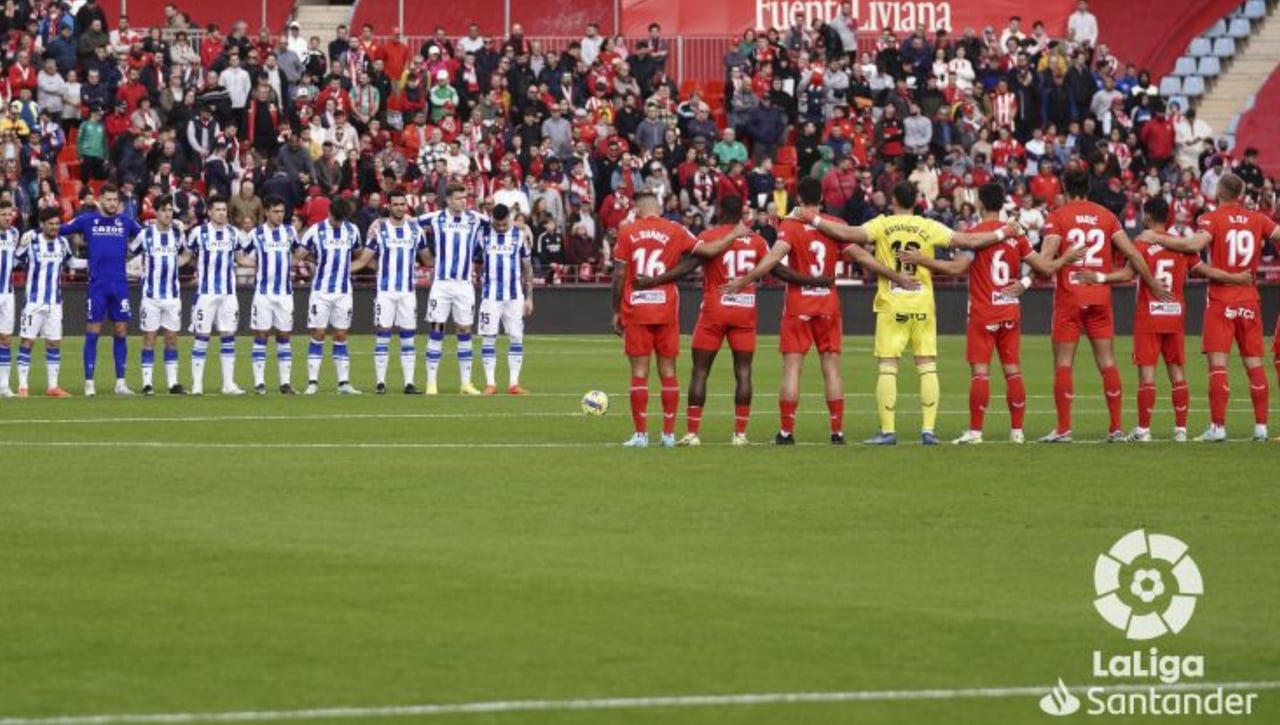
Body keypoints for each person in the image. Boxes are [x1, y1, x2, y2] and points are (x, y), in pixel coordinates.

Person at [802, 182, 1022, 444]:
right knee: (927, 365)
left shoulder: (882, 224)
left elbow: (844, 233)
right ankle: (928, 431)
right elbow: (969, 241)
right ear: (915, 201)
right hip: (922, 304)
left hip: (892, 303)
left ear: (893, 200)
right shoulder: (928, 226)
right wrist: (1004, 232)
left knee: (888, 366)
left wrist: (811, 217)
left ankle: (888, 431)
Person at [725, 177, 916, 445]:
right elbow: (863, 258)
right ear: (822, 199)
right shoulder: (834, 226)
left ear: (799, 200)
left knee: (792, 368)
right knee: (832, 369)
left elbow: (772, 258)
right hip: (828, 304)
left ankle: (786, 432)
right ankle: (837, 432)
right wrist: (895, 275)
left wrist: (744, 280)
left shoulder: (791, 226)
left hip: (798, 304)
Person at [899, 184, 1082, 444]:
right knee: (1013, 370)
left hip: (983, 312)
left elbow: (956, 268)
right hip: (1009, 308)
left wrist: (922, 260)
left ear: (981, 204)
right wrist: (1066, 258)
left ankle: (975, 432)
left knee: (980, 373)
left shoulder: (975, 234)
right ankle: (1017, 432)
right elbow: (1043, 266)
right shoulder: (1016, 235)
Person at [1088, 197, 1251, 442]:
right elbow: (1206, 272)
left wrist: (1099, 278)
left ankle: (1143, 430)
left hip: (1149, 316)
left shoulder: (1142, 242)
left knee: (1147, 375)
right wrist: (1237, 278)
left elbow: (1127, 274)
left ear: (1148, 217)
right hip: (1175, 315)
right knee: (1177, 372)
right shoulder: (1182, 247)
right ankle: (1181, 430)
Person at [1137, 173, 1280, 442]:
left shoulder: (1212, 219)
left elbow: (1193, 244)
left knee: (1218, 365)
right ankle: (1261, 427)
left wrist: (1158, 238)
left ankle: (1218, 427)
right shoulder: (1258, 218)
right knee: (1255, 364)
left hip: (1221, 299)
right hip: (1249, 297)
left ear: (1219, 191)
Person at [1033, 168, 1165, 443]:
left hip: (1070, 297)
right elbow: (1131, 253)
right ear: (1090, 187)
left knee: (1063, 363)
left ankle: (1064, 429)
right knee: (1107, 362)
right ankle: (1116, 428)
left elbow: (1044, 263)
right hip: (1100, 297)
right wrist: (1151, 283)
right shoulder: (1107, 217)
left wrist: (1049, 259)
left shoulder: (1058, 217)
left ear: (1065, 188)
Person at [633, 195, 773, 446]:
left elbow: (688, 266)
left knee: (700, 371)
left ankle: (692, 433)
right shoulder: (757, 240)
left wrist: (654, 280)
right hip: (744, 310)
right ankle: (740, 434)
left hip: (714, 311)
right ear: (742, 213)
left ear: (719, 210)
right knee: (743, 372)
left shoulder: (710, 237)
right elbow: (775, 268)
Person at [611, 190, 744, 448]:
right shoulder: (676, 230)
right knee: (668, 372)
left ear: (637, 210)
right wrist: (733, 235)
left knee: (639, 372)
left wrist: (615, 311)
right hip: (666, 309)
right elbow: (708, 251)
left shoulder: (627, 231)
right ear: (658, 209)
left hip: (636, 308)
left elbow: (619, 275)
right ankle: (669, 434)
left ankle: (640, 436)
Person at [59, 183, 143, 397]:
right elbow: (59, 229)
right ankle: (89, 383)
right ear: (100, 200)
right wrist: (34, 234)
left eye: (116, 200)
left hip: (120, 285)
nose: (113, 203)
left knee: (121, 332)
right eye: (109, 200)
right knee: (93, 332)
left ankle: (121, 383)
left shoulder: (125, 222)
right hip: (97, 285)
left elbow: (146, 238)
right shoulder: (88, 220)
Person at [419, 182, 487, 395]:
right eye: (458, 198)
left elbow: (500, 223)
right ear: (448, 200)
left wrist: (523, 227)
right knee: (437, 330)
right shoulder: (435, 218)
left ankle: (465, 383)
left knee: (465, 329)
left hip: (464, 284)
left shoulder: (475, 218)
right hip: (441, 283)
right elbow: (407, 221)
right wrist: (380, 222)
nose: (462, 202)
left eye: (464, 197)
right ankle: (431, 383)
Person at [298, 195, 371, 395]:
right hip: (321, 291)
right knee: (318, 333)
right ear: (329, 212)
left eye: (342, 220)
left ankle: (344, 383)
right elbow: (299, 256)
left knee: (340, 334)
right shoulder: (315, 231)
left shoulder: (352, 230)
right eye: (336, 219)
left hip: (343, 292)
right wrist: (318, 260)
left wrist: (350, 268)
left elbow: (360, 256)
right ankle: (313, 382)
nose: (338, 223)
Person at [367, 188, 430, 395]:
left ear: (406, 206)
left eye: (403, 204)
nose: (400, 208)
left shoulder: (415, 231)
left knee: (408, 337)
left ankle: (409, 383)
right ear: (389, 206)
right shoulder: (379, 230)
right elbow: (367, 257)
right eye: (396, 204)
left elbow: (427, 258)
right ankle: (380, 383)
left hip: (407, 292)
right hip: (385, 292)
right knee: (383, 335)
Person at [184, 197, 249, 396]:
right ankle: (197, 385)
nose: (222, 213)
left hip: (229, 294)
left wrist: (265, 260)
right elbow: (187, 256)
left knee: (228, 336)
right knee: (202, 336)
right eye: (218, 209)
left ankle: (228, 384)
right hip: (206, 293)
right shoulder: (198, 233)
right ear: (210, 212)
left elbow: (241, 259)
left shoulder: (234, 233)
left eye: (224, 209)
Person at [130, 195, 190, 395]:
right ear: (156, 212)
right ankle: (147, 384)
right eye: (164, 210)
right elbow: (132, 252)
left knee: (172, 338)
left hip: (172, 296)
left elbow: (186, 253)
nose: (168, 214)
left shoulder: (177, 234)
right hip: (151, 296)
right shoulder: (146, 235)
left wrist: (176, 264)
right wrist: (138, 269)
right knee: (149, 338)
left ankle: (173, 383)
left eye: (170, 210)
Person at [242, 196, 302, 395]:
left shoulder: (290, 231)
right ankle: (259, 382)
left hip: (285, 294)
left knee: (284, 335)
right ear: (266, 212)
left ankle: (285, 383)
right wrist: (258, 266)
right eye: (275, 211)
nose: (279, 215)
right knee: (262, 334)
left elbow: (299, 252)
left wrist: (289, 263)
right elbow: (240, 255)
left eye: (282, 211)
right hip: (263, 294)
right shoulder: (257, 234)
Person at [13, 208, 75, 398]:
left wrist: (98, 261)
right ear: (42, 225)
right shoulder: (31, 242)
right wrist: (26, 236)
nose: (55, 227)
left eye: (57, 224)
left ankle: (53, 386)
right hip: (34, 302)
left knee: (54, 343)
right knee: (27, 341)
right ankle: (23, 386)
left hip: (55, 303)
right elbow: (15, 260)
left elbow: (71, 263)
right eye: (51, 224)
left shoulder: (63, 243)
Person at [477, 204, 534, 395]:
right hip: (490, 296)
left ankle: (513, 384)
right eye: (497, 224)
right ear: (491, 219)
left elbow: (527, 268)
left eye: (504, 225)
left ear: (509, 219)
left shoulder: (519, 236)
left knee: (516, 337)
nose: (501, 228)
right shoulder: (482, 234)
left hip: (514, 296)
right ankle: (490, 383)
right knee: (488, 338)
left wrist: (529, 298)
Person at [0, 200, 18, 397]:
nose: (7, 218)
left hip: (8, 294)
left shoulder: (14, 234)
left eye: (9, 214)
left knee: (5, 338)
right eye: (3, 214)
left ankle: (4, 385)